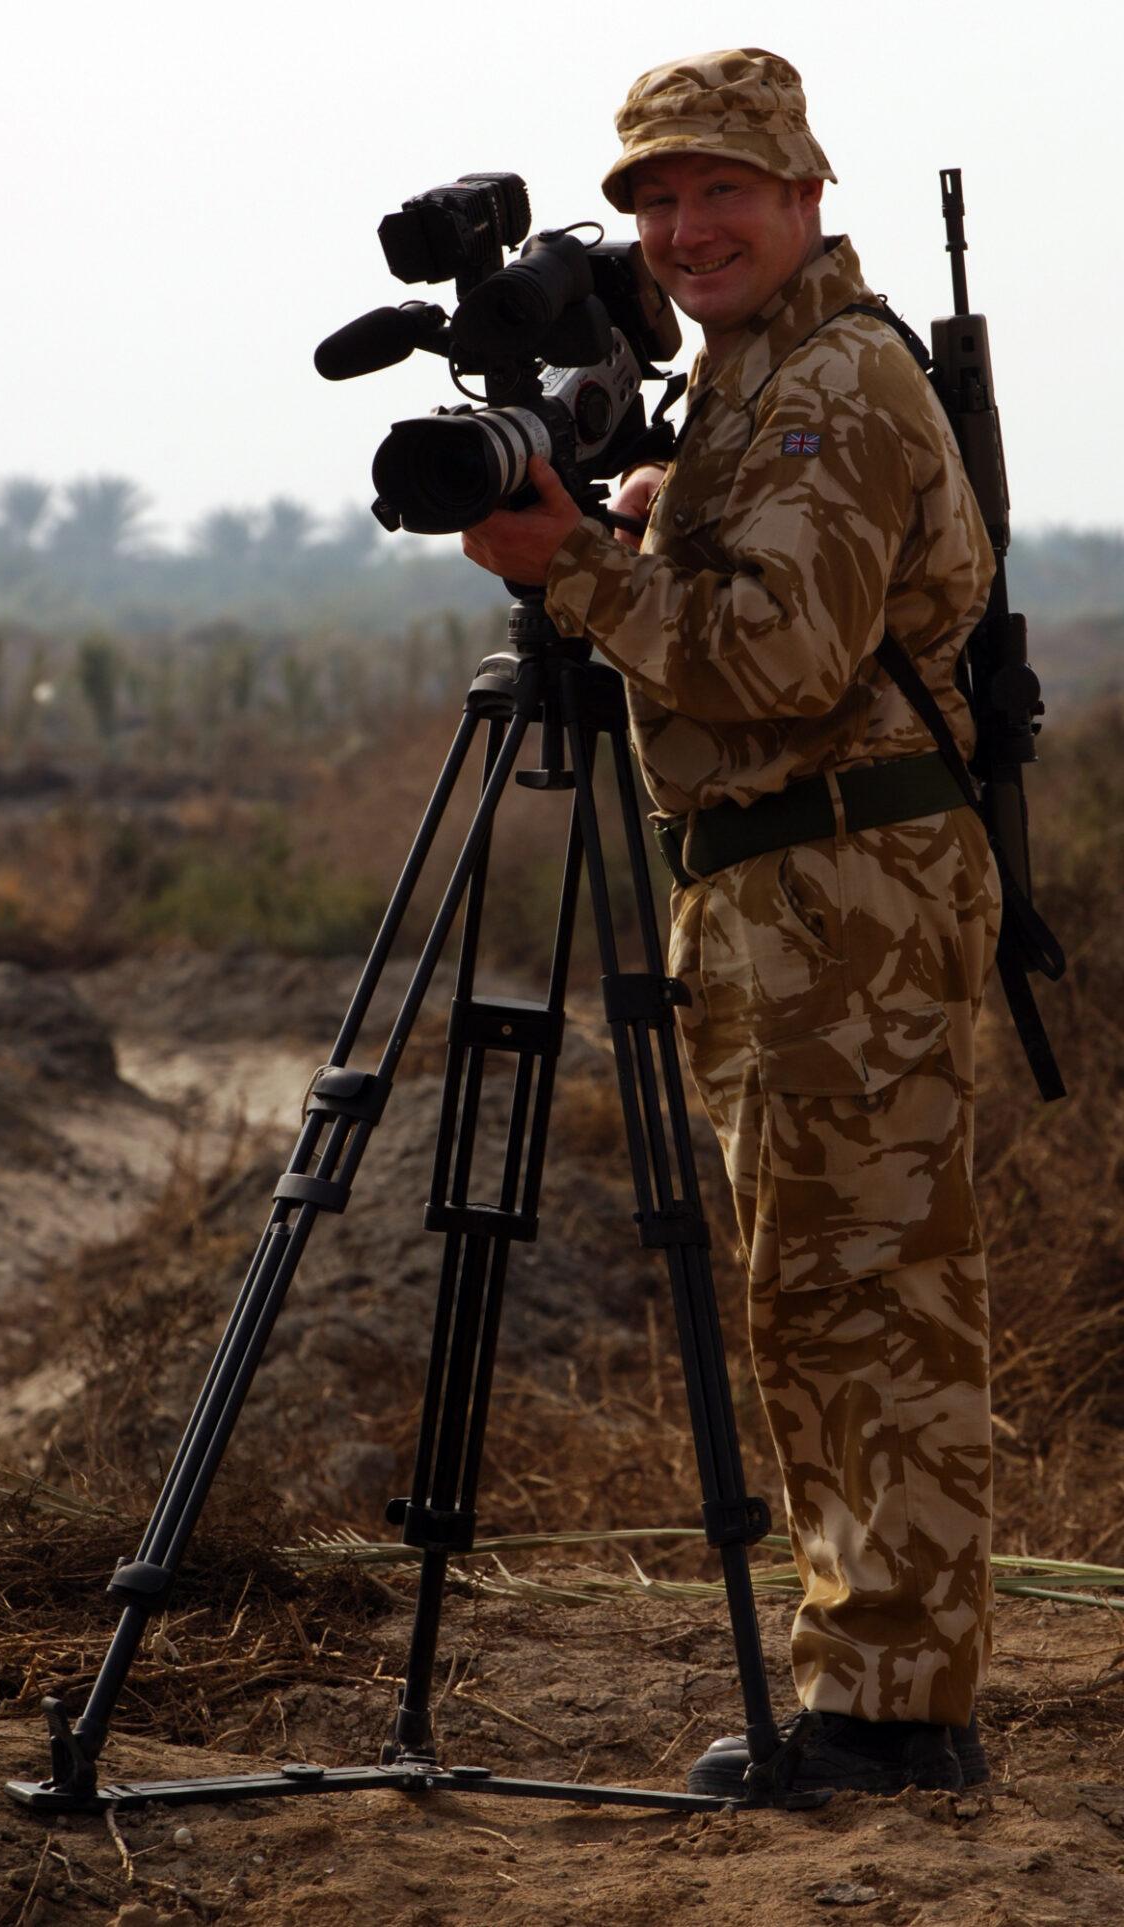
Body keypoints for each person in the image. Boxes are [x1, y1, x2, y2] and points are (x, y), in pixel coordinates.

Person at [461, 48, 1001, 1799]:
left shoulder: (830, 383)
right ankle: (883, 1684)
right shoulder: (750, 383)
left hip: (845, 895)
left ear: (803, 195)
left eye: (723, 193)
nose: (688, 229)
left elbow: (782, 660)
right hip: (790, 891)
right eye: (658, 202)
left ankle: (895, 1712)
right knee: (824, 1288)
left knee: (864, 1296)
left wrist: (575, 570)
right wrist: (637, 529)